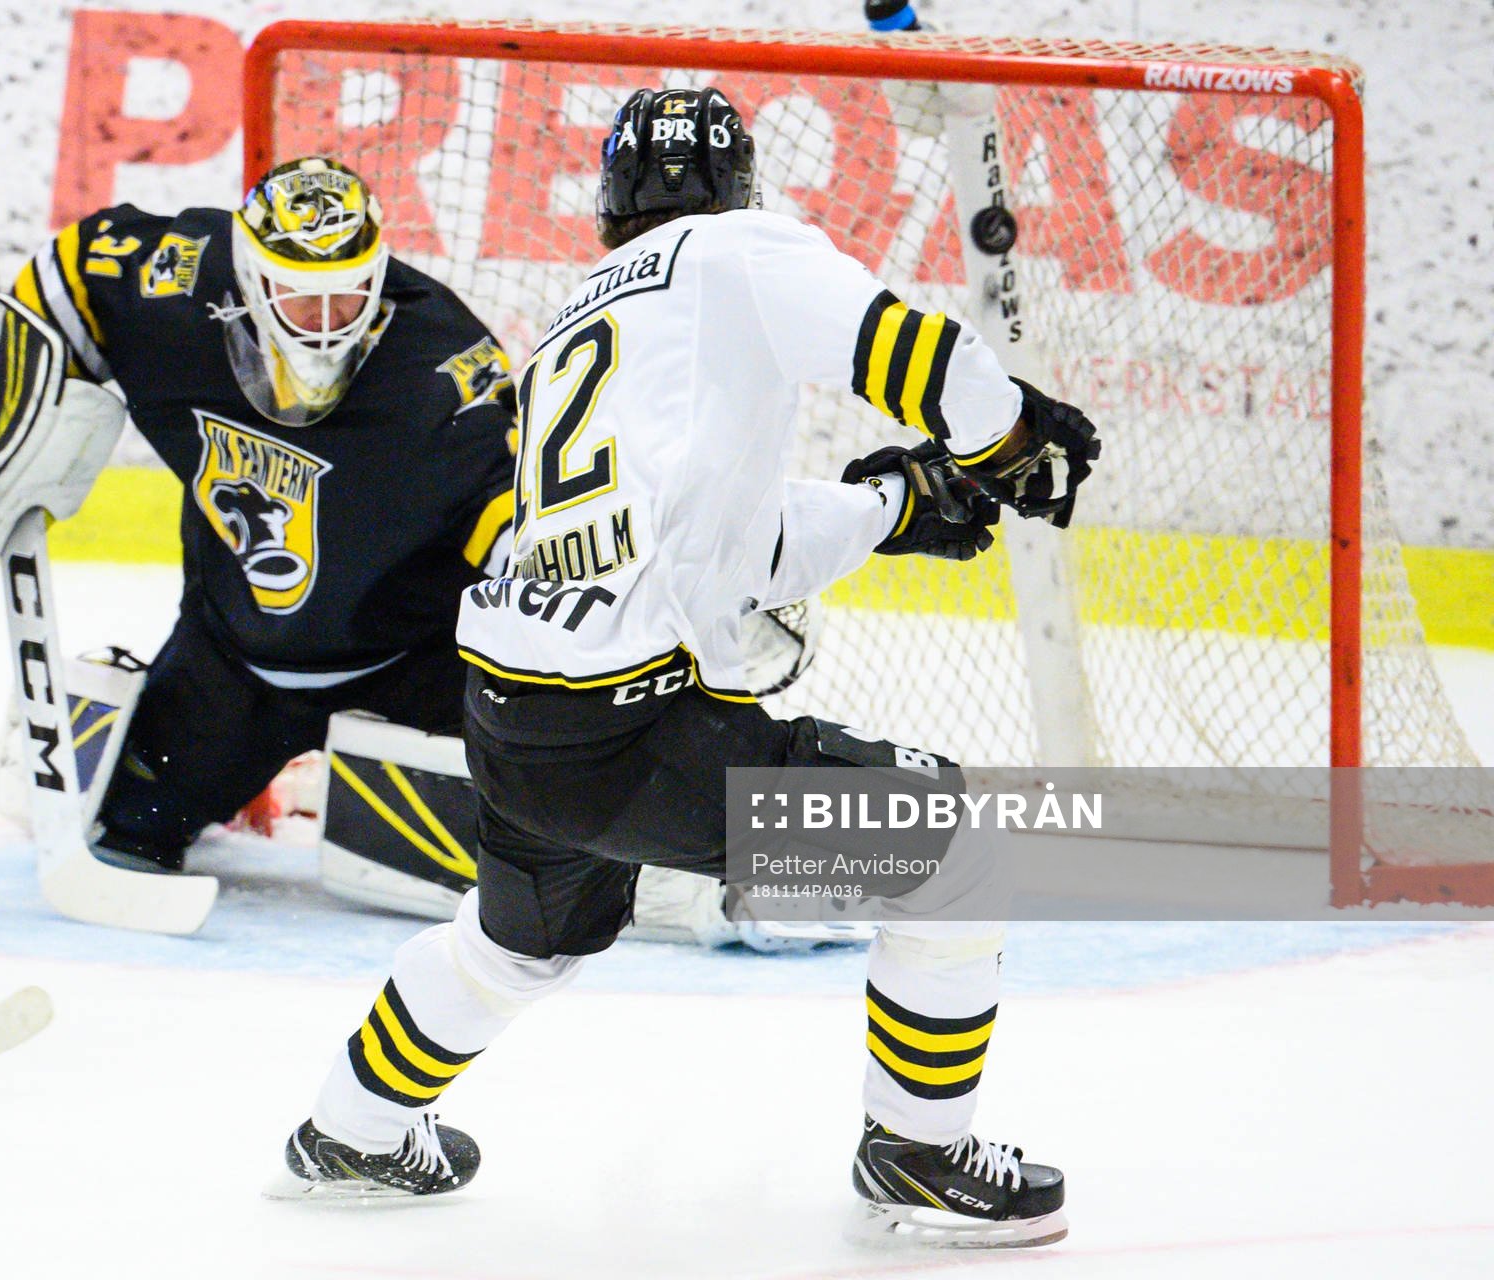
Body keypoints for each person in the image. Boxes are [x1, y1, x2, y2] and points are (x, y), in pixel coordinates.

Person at [269, 88, 1100, 1250]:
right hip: (632, 729)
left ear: (612, 202)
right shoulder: (739, 248)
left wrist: (890, 501)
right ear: (742, 186)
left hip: (512, 712)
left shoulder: (576, 319)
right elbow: (904, 350)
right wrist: (1009, 436)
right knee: (950, 849)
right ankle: (914, 1150)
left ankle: (351, 1128)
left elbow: (714, 543)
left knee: (518, 940)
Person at [3, 156, 520, 871]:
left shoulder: (442, 364)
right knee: (123, 831)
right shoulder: (176, 287)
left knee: (516, 869)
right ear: (248, 274)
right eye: (301, 296)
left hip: (414, 671)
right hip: (230, 669)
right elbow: (69, 273)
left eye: (351, 293)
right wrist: (12, 400)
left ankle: (738, 865)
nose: (328, 322)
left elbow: (521, 547)